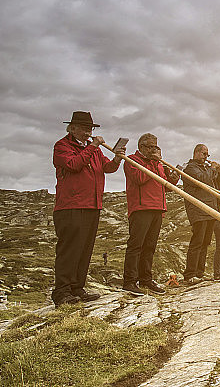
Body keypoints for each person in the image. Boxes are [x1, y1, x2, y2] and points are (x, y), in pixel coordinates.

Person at [51, 111, 125, 306]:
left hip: (92, 205)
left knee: (84, 249)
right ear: (72, 128)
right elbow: (74, 165)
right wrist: (92, 146)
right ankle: (61, 292)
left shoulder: (93, 150)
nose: (88, 132)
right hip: (71, 206)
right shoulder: (62, 146)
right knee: (69, 249)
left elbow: (106, 168)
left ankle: (77, 288)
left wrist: (117, 159)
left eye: (90, 129)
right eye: (84, 128)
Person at [122, 133, 180, 295]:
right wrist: (154, 163)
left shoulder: (158, 164)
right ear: (141, 147)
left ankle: (145, 279)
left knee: (149, 247)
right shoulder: (132, 160)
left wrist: (173, 178)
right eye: (149, 147)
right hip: (141, 208)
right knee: (136, 246)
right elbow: (140, 178)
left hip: (157, 207)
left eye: (155, 146)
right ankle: (130, 281)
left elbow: (164, 186)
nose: (153, 150)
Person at [182, 144, 220, 285]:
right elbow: (203, 180)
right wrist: (213, 169)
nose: (206, 157)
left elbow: (217, 186)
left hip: (209, 209)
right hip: (198, 209)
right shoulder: (190, 168)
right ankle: (190, 274)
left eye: (207, 154)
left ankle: (199, 273)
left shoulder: (206, 169)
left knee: (205, 242)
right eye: (204, 154)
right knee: (197, 241)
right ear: (196, 153)